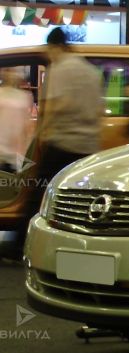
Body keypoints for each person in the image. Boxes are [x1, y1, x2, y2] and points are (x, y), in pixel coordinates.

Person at [5, 28, 103, 260]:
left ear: (55, 47)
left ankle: (20, 245)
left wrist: (41, 134)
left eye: (48, 52)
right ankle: (78, 247)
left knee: (39, 194)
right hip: (88, 146)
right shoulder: (91, 71)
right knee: (77, 199)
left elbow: (54, 106)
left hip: (62, 143)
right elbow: (99, 108)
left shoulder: (59, 69)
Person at [0, 68, 34, 173]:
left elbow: (27, 125)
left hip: (17, 152)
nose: (11, 74)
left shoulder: (25, 96)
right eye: (8, 71)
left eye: (14, 71)